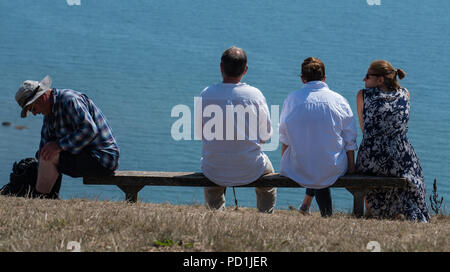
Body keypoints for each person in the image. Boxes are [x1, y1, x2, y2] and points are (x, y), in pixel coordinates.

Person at [195, 46, 276, 213]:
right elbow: (266, 135)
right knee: (269, 184)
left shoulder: (206, 94)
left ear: (221, 67)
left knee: (213, 187)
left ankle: (215, 216)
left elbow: (200, 133)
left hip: (214, 167)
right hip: (251, 167)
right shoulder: (255, 95)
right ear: (245, 70)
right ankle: (265, 217)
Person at [15, 75, 120, 198]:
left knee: (51, 154)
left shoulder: (69, 100)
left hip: (102, 158)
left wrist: (59, 146)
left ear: (42, 97)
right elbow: (45, 144)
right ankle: (47, 196)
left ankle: (41, 198)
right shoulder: (49, 113)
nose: (34, 113)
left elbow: (90, 130)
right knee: (45, 153)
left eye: (32, 108)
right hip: (87, 154)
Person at [279, 57, 357, 217]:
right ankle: (325, 214)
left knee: (313, 162)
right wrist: (351, 168)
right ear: (324, 78)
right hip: (333, 167)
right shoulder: (339, 100)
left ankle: (311, 208)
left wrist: (284, 163)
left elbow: (284, 136)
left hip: (298, 167)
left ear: (302, 78)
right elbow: (350, 140)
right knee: (322, 163)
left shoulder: (292, 99)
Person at [355, 60, 430, 222]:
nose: (364, 80)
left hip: (371, 157)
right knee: (413, 173)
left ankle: (374, 212)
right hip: (400, 157)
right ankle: (405, 211)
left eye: (368, 76)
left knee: (368, 169)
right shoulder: (405, 94)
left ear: (380, 79)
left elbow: (365, 129)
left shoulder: (363, 95)